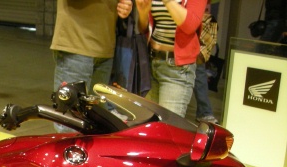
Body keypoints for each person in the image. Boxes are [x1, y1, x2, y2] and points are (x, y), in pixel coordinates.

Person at [51, 0, 133, 132]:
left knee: (99, 123)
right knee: (69, 124)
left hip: (105, 48)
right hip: (76, 45)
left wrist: (124, 5)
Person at [135, 0, 207, 118]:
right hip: (151, 63)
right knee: (147, 123)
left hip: (177, 70)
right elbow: (143, 29)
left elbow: (190, 25)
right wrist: (143, 13)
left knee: (168, 125)